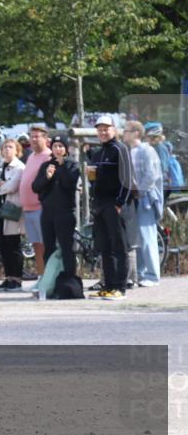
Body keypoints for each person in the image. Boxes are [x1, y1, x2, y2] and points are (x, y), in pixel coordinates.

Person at [87, 115, 133, 300]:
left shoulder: (120, 149)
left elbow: (127, 179)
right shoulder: (99, 152)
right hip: (99, 204)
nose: (103, 132)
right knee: (105, 247)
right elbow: (95, 179)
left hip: (114, 204)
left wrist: (119, 203)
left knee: (119, 247)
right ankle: (108, 285)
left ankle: (120, 288)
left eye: (106, 128)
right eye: (100, 129)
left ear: (114, 130)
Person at [31, 135, 82, 297]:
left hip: (65, 213)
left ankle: (68, 281)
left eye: (61, 146)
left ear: (66, 149)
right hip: (47, 213)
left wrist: (63, 167)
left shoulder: (72, 165)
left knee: (67, 248)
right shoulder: (46, 165)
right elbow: (35, 187)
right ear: (51, 149)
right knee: (49, 248)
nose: (58, 149)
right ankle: (48, 281)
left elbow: (70, 184)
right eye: (55, 146)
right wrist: (47, 176)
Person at [125, 121, 163, 287]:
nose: (123, 133)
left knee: (147, 236)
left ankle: (152, 275)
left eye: (126, 130)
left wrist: (138, 192)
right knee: (137, 238)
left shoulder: (147, 150)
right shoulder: (128, 151)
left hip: (145, 198)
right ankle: (140, 274)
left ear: (136, 133)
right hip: (134, 198)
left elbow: (151, 176)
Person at [0, 139, 26, 292]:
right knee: (2, 245)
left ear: (17, 150)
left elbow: (13, 186)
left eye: (10, 147)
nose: (6, 150)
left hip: (12, 208)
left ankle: (17, 279)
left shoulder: (20, 167)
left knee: (13, 244)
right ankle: (8, 277)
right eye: (4, 147)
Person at [19, 125, 52, 275]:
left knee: (46, 245)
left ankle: (50, 277)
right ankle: (41, 276)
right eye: (31, 136)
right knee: (36, 246)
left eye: (37, 136)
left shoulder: (49, 156)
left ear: (46, 139)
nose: (33, 139)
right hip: (28, 209)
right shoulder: (31, 156)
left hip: (41, 208)